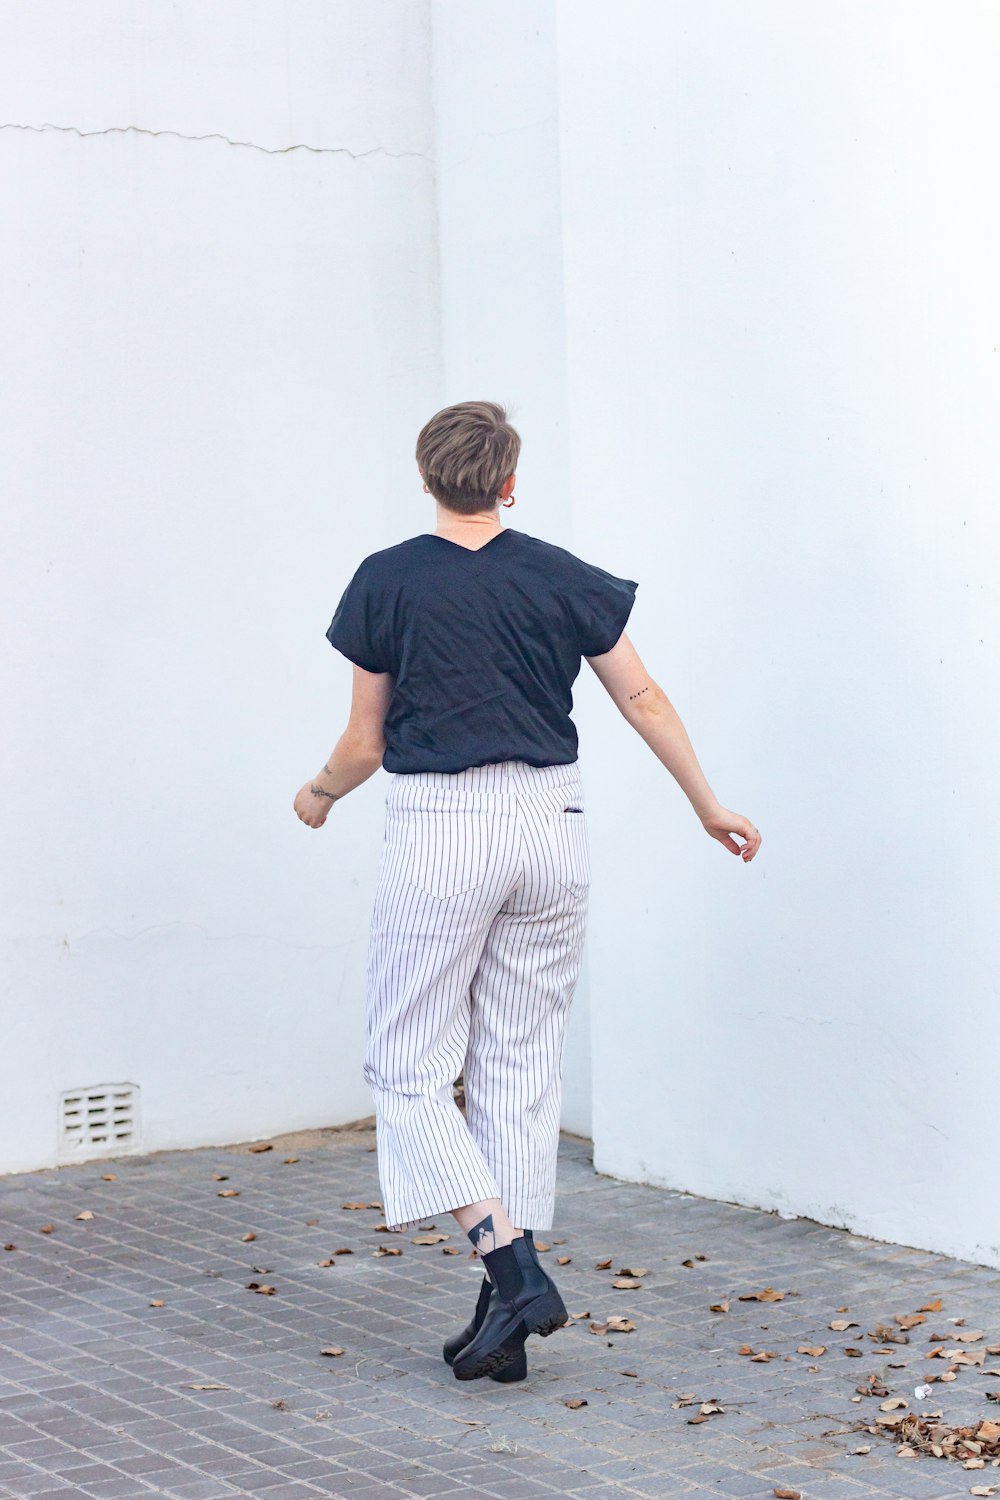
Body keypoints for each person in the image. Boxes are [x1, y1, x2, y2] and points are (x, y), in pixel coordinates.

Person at [294, 400, 761, 1383]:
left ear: (428, 478)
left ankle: (511, 1266)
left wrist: (318, 794)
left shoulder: (387, 580)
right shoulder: (558, 574)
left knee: (407, 1067)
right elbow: (641, 695)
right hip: (554, 827)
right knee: (517, 1060)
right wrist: (706, 802)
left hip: (444, 831)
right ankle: (500, 1323)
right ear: (509, 481)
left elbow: (363, 744)